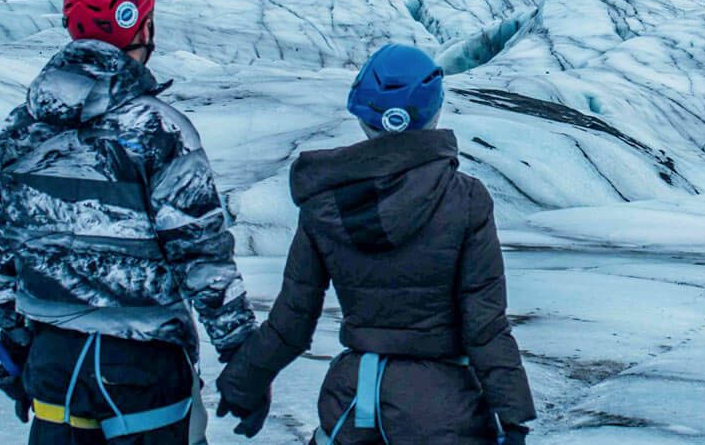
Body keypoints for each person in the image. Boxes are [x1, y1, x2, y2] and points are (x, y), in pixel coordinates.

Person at [0, 0, 256, 444]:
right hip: (142, 366)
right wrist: (243, 357)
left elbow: (6, 251)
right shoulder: (158, 131)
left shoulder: (19, 130)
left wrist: (16, 344)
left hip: (53, 361)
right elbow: (202, 257)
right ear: (140, 23)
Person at [214, 44, 537, 444]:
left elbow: (292, 320)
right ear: (433, 110)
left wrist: (245, 383)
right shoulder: (465, 199)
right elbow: (485, 324)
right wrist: (515, 418)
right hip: (445, 409)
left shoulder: (322, 202)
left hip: (351, 403)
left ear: (364, 116)